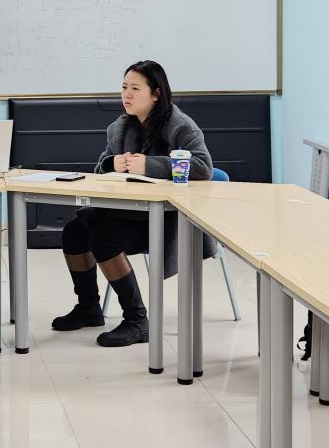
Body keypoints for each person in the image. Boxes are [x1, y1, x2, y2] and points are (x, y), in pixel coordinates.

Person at [52, 60, 214, 347]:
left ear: (156, 94)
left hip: (165, 218)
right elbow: (100, 168)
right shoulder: (120, 127)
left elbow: (203, 168)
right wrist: (110, 163)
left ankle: (137, 320)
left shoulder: (180, 125)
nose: (126, 94)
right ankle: (89, 308)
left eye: (135, 89)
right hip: (126, 212)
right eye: (124, 87)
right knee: (74, 232)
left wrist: (150, 165)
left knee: (104, 239)